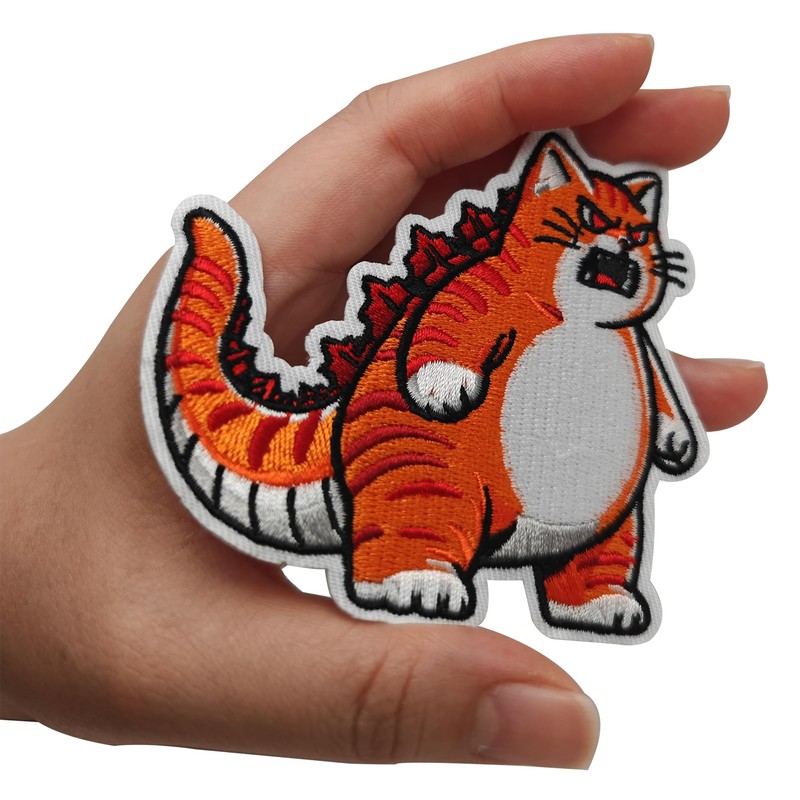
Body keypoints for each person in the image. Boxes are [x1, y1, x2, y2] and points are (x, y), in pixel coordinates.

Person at [0, 33, 766, 769]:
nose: (621, 246)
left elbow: (652, 392)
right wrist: (442, 370)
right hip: (445, 469)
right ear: (541, 203)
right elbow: (448, 327)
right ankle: (409, 554)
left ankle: (588, 584)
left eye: (634, 239)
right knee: (428, 465)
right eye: (591, 231)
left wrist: (667, 422)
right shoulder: (496, 288)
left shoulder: (628, 339)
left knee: (613, 509)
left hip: (584, 506)